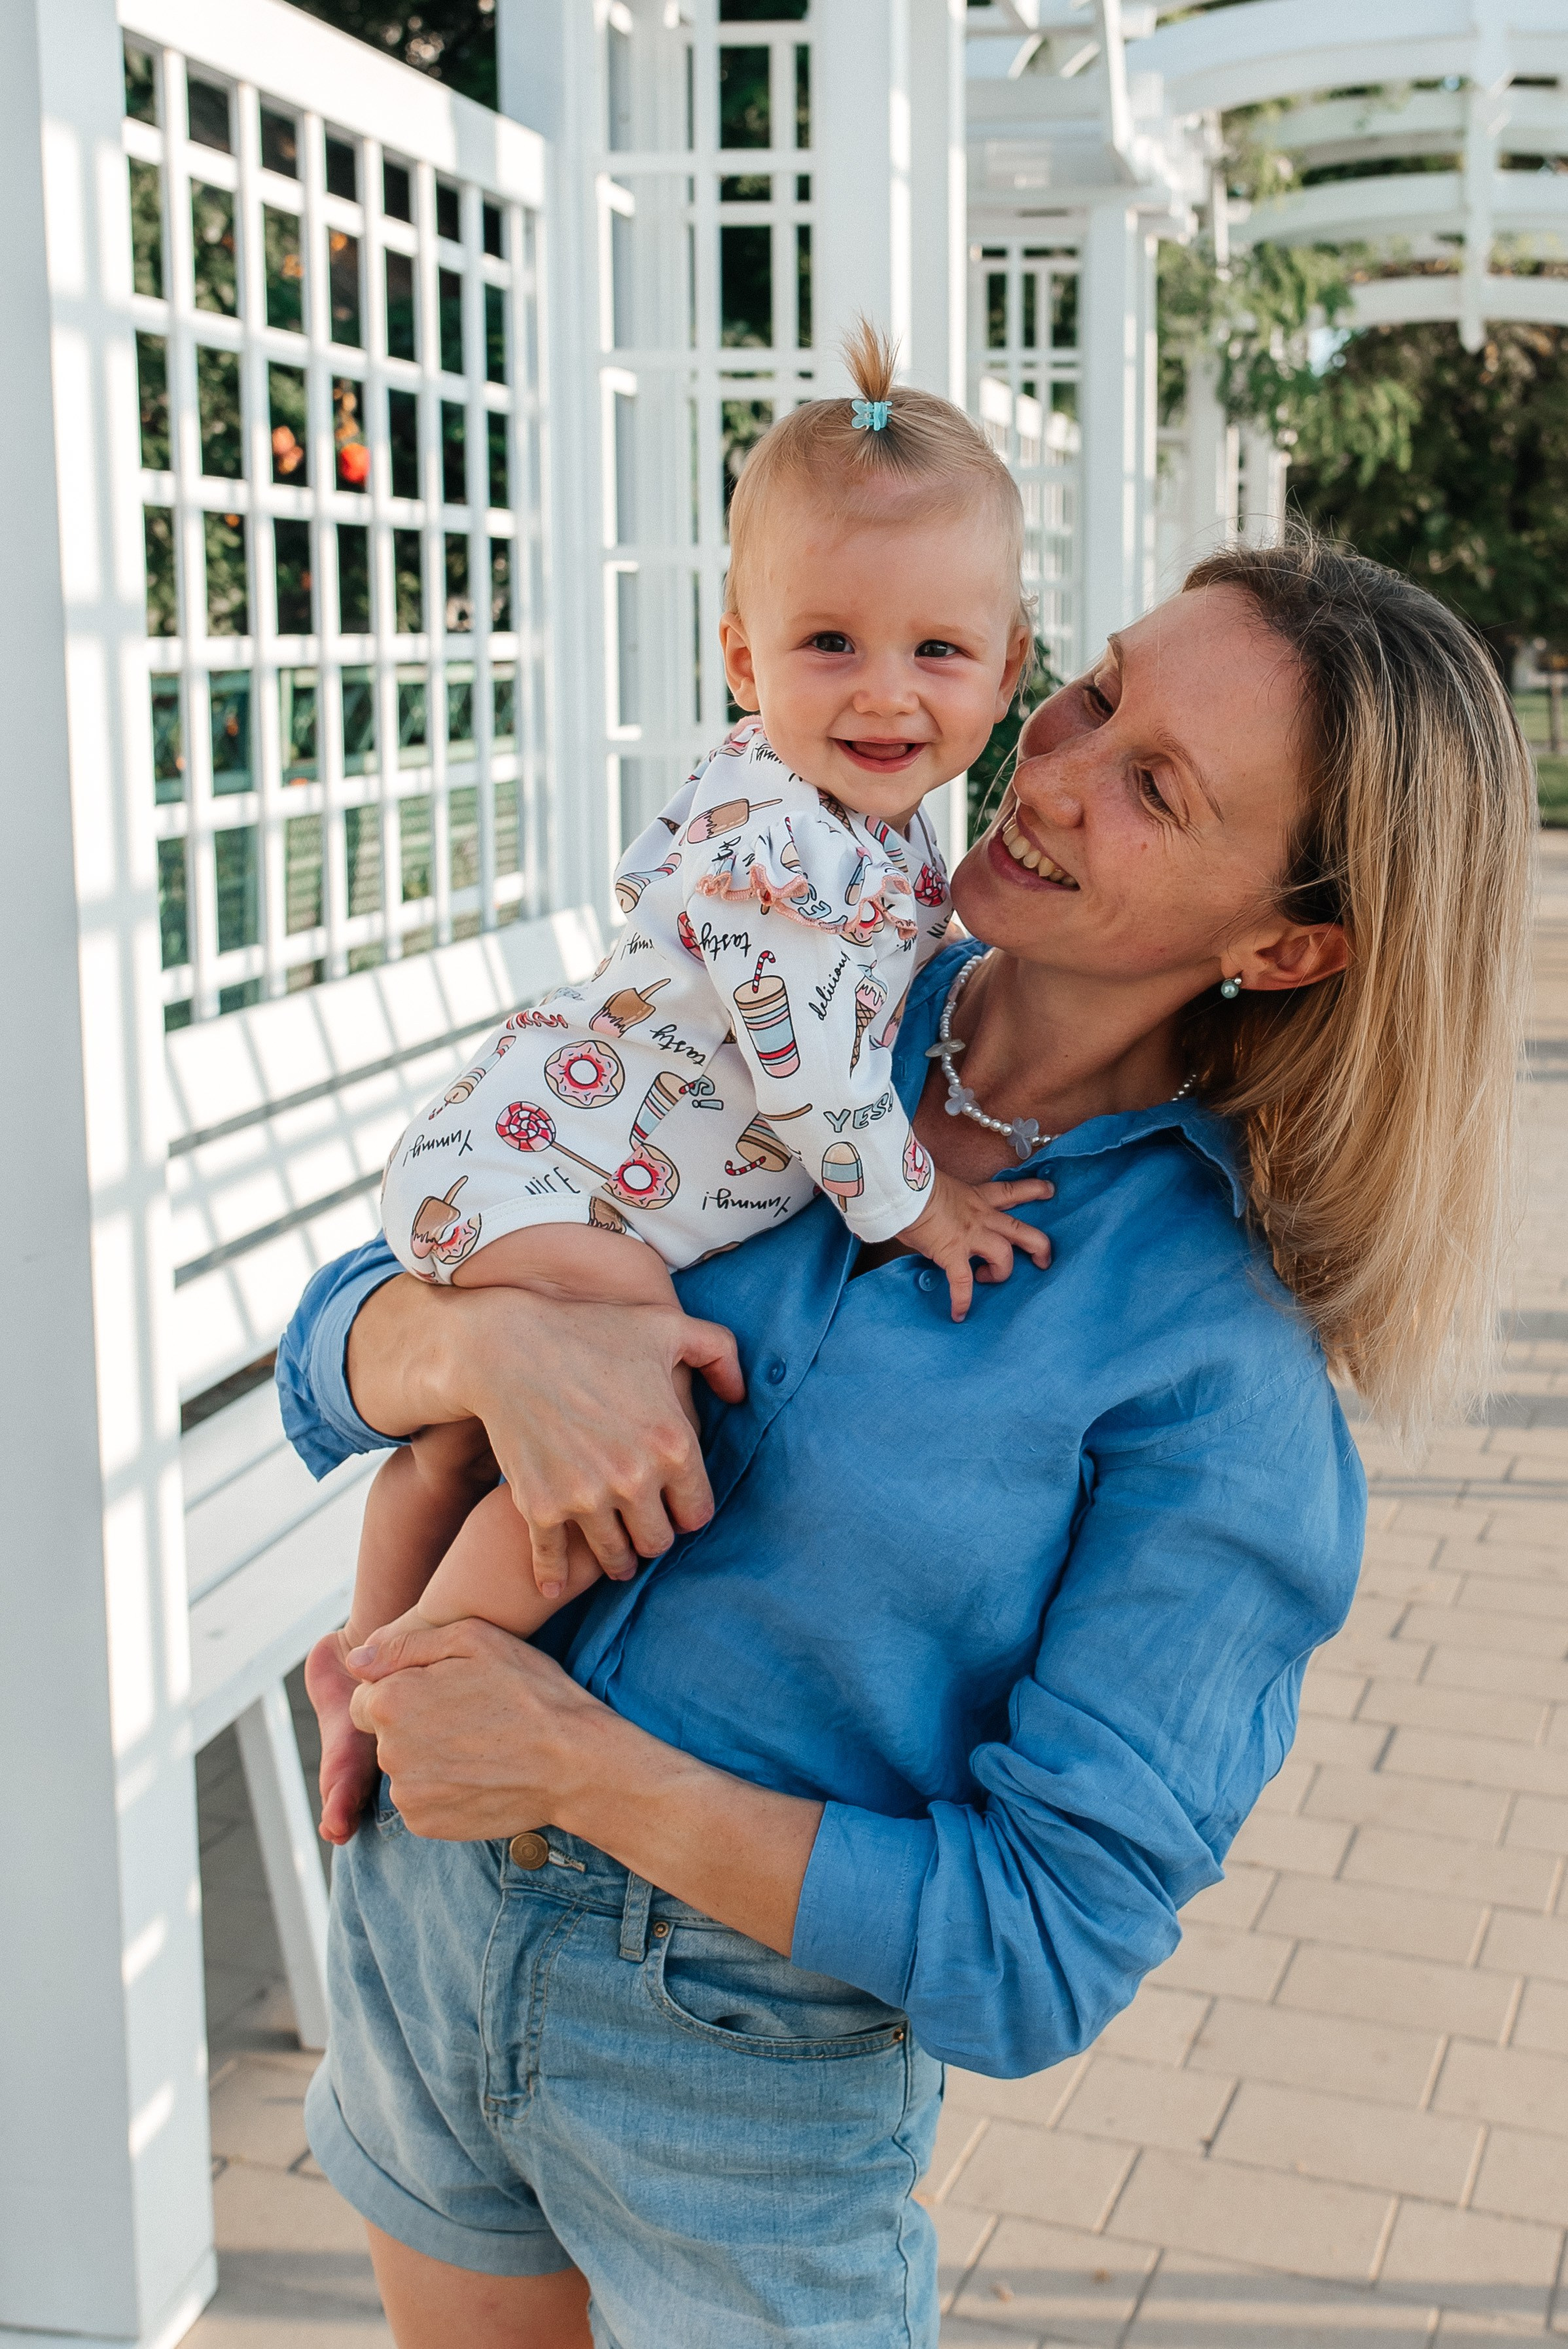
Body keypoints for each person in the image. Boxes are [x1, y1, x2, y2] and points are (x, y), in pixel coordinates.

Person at [277, 535, 1533, 2349]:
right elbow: (337, 1344)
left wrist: (568, 1757)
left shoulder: (1217, 1378)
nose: (1049, 766)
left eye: (1154, 786)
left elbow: (1036, 1948)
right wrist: (473, 1342)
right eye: (1094, 689)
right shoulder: (791, 986)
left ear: (1282, 940)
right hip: (417, 1936)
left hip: (732, 2082)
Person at [308, 325, 1047, 1843]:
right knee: (632, 1409)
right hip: (546, 1177)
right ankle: (432, 1673)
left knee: (459, 1442)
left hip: (548, 1158)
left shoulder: (872, 826)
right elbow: (809, 1074)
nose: (885, 693)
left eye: (937, 651)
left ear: (1007, 666)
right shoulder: (782, 839)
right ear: (740, 656)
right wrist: (919, 1207)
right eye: (827, 644)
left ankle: (353, 1661)